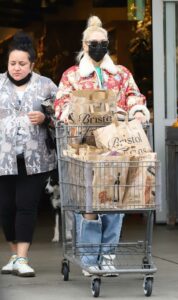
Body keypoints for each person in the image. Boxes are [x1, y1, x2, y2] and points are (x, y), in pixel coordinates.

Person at [54, 16, 150, 276]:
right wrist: (73, 113)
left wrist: (138, 111)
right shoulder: (72, 76)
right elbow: (61, 103)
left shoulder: (120, 73)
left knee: (114, 201)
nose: (98, 47)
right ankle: (88, 257)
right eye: (93, 43)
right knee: (89, 202)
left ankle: (107, 255)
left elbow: (134, 96)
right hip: (84, 148)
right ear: (84, 46)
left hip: (116, 146)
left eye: (103, 43)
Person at [0, 32, 57, 277]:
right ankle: (14, 255)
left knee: (26, 205)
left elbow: (64, 116)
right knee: (5, 207)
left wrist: (46, 118)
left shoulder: (45, 85)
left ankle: (22, 258)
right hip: (3, 158)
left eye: (22, 64)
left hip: (35, 159)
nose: (17, 68)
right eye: (13, 63)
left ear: (32, 64)